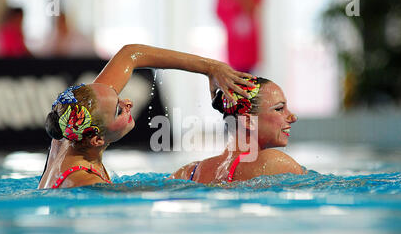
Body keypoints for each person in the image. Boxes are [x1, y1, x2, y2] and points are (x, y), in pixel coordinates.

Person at [38, 44, 253, 189]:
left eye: (118, 95)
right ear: (97, 139)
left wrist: (211, 68)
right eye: (119, 110)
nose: (128, 102)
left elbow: (130, 53)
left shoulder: (71, 126)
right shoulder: (83, 182)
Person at [170, 77, 304, 183]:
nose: (293, 117)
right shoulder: (273, 162)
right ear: (247, 121)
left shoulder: (188, 172)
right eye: (279, 109)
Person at [216, 0, 262, 73]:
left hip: (249, 51)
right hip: (233, 50)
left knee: (249, 79)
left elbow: (252, 8)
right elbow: (219, 12)